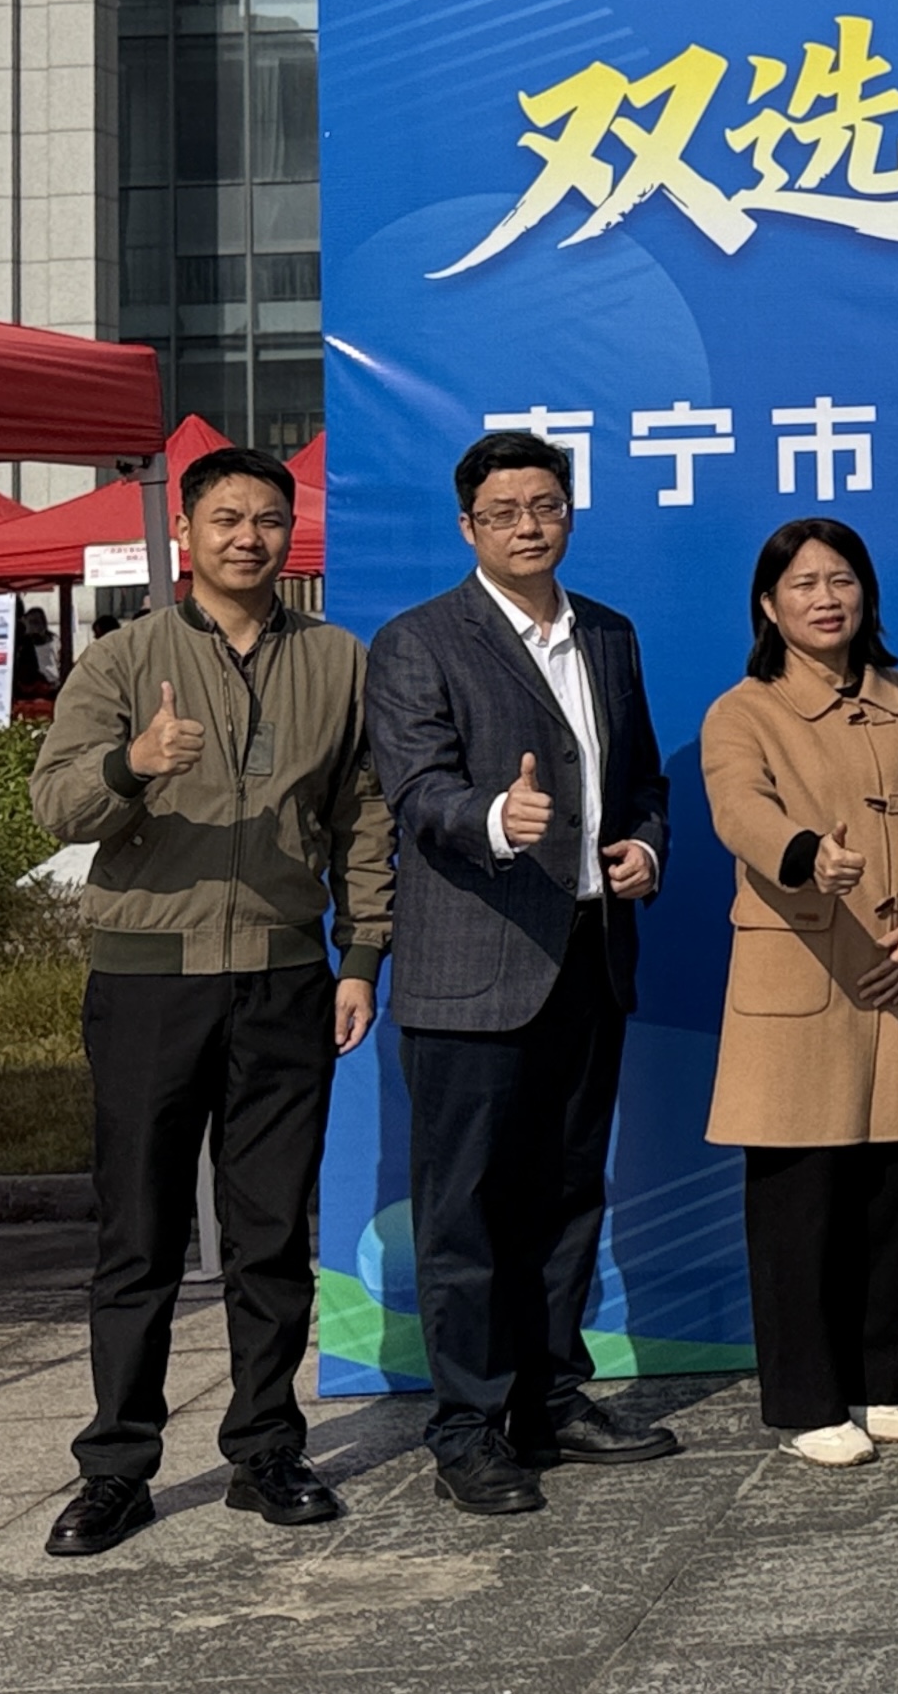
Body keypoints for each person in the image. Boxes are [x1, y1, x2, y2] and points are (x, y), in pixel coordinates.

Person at [29, 445, 394, 1557]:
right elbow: (57, 804)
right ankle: (116, 1467)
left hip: (284, 977)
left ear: (291, 532)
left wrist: (360, 954)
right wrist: (134, 764)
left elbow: (363, 814)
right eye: (227, 518)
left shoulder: (337, 659)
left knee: (270, 1229)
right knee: (138, 1231)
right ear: (185, 533)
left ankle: (267, 1447)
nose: (250, 537)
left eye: (269, 518)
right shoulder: (126, 655)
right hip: (148, 980)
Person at [369, 431, 679, 1514]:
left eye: (544, 505)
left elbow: (642, 782)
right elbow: (416, 789)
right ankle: (466, 1427)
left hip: (590, 956)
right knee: (465, 1212)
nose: (527, 526)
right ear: (468, 526)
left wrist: (645, 848)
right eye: (503, 512)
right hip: (474, 969)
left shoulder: (610, 634)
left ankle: (550, 1396)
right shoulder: (418, 641)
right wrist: (498, 816)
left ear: (570, 513)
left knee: (567, 1195)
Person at [699, 517, 898, 1468]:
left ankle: (880, 1380)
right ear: (769, 604)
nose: (825, 598)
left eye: (841, 578)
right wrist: (807, 853)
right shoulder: (744, 710)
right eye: (802, 584)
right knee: (799, 1205)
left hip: (896, 969)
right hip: (799, 978)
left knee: (892, 1192)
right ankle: (806, 1398)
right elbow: (739, 809)